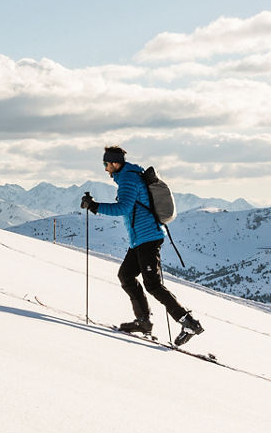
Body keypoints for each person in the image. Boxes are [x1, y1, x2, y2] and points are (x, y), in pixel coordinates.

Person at [81, 146, 205, 345]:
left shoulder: (128, 179)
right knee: (126, 275)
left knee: (152, 284)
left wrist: (95, 206)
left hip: (147, 237)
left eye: (106, 164)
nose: (105, 169)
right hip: (141, 239)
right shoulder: (129, 176)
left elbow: (124, 207)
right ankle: (143, 321)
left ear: (115, 163)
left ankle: (188, 322)